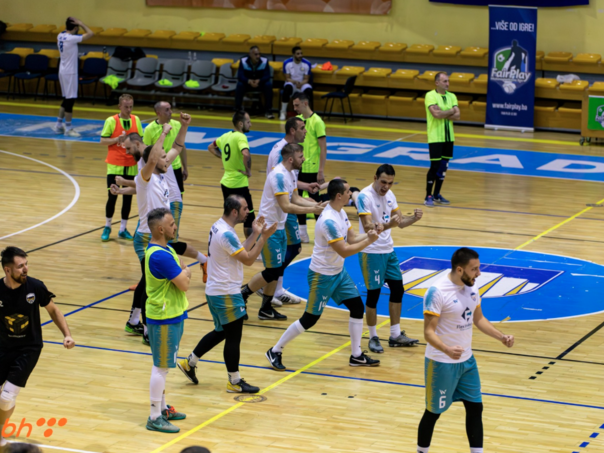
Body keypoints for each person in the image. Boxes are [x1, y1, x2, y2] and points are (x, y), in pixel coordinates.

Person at [265, 180, 380, 371]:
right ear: (339, 196)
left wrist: (371, 233)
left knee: (357, 307)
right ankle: (275, 350)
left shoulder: (340, 212)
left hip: (338, 273)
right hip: (322, 275)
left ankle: (356, 355)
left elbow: (352, 238)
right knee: (309, 319)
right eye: (348, 191)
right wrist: (369, 240)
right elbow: (344, 250)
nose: (350, 193)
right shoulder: (328, 221)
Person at [111, 115, 207, 343]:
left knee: (146, 280)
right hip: (146, 238)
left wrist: (184, 126)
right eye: (163, 157)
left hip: (158, 236)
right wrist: (163, 133)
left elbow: (177, 147)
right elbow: (154, 157)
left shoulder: (161, 175)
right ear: (153, 161)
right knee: (150, 283)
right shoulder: (146, 176)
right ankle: (146, 329)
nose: (168, 159)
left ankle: (134, 321)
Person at [417, 247, 515, 453]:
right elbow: (428, 333)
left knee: (475, 408)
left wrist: (501, 337)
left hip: (467, 362)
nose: (478, 273)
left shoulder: (472, 286)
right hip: (441, 363)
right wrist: (446, 349)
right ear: (460, 270)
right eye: (474, 269)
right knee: (433, 413)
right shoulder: (436, 292)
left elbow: (478, 319)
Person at [177, 196, 277, 393]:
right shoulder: (226, 233)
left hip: (216, 291)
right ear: (234, 211)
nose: (248, 212)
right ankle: (234, 381)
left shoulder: (219, 226)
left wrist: (256, 233)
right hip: (226, 293)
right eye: (245, 208)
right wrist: (263, 238)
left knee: (222, 331)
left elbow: (239, 250)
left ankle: (190, 363)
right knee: (233, 336)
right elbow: (248, 259)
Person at [0, 247, 75, 448]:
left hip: (28, 349)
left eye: (26, 264)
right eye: (20, 266)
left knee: (6, 398)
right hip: (2, 347)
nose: (25, 269)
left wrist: (67, 335)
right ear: (7, 270)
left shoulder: (35, 287)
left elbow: (54, 310)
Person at [240, 144, 325, 321]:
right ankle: (242, 295)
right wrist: (313, 210)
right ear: (291, 159)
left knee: (276, 270)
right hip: (268, 228)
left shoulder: (291, 174)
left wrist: (315, 205)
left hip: (278, 226)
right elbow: (286, 206)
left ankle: (265, 309)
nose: (304, 159)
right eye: (301, 156)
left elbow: (296, 198)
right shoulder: (279, 175)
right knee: (272, 271)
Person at [353, 164, 422, 353]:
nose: (386, 186)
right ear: (375, 178)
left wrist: (413, 218)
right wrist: (389, 224)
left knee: (398, 290)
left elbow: (400, 222)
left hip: (388, 250)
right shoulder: (364, 197)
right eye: (383, 182)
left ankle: (395, 334)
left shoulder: (390, 195)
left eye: (390, 183)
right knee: (373, 295)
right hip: (371, 252)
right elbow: (367, 226)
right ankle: (373, 337)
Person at [262, 116, 318, 306]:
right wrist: (311, 206)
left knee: (292, 248)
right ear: (293, 130)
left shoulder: (290, 153)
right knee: (291, 248)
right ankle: (268, 284)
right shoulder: (281, 153)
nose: (306, 131)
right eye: (302, 128)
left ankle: (274, 288)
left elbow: (290, 183)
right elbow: (279, 182)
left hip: (285, 204)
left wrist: (306, 188)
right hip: (280, 207)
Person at [144, 208, 190, 434]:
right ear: (161, 229)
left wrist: (184, 272)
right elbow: (185, 283)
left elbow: (183, 273)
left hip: (172, 314)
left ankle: (162, 408)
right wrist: (185, 273)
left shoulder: (167, 249)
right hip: (163, 318)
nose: (175, 226)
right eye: (172, 224)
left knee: (163, 366)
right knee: (161, 367)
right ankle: (154, 416)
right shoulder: (160, 255)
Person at [99, 93, 143, 242]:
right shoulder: (111, 121)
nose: (129, 110)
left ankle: (123, 229)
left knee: (128, 198)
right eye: (126, 107)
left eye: (131, 107)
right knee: (112, 196)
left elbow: (140, 140)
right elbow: (102, 140)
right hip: (115, 165)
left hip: (131, 164)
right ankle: (107, 226)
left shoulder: (136, 119)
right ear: (119, 106)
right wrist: (116, 139)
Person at [208, 110, 255, 239]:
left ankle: (224, 240)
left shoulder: (225, 136)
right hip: (239, 183)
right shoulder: (241, 137)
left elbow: (211, 147)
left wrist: (223, 157)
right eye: (248, 122)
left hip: (226, 184)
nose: (250, 124)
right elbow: (246, 154)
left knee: (230, 217)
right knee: (249, 218)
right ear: (240, 124)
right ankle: (251, 247)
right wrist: (248, 170)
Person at [292, 92, 327, 243]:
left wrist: (321, 170)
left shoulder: (317, 121)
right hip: (297, 167)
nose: (295, 108)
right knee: (297, 199)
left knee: (316, 201)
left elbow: (323, 148)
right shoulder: (298, 121)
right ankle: (302, 232)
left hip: (312, 168)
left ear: (305, 103)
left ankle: (321, 233)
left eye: (297, 105)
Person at [53, 17, 94, 137]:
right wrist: (81, 23)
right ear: (75, 28)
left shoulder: (60, 35)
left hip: (62, 71)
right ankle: (69, 128)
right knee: (70, 100)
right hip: (70, 72)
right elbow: (91, 33)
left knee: (67, 98)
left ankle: (58, 125)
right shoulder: (71, 39)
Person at [424, 72, 459, 208]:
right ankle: (428, 196)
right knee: (434, 167)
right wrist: (451, 111)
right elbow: (435, 114)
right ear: (437, 82)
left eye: (448, 81)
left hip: (449, 137)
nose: (447, 84)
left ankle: (437, 194)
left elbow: (457, 116)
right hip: (435, 137)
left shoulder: (452, 96)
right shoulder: (430, 95)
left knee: (443, 167)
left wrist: (443, 112)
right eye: (445, 81)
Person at [144, 101, 189, 203]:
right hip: (159, 170)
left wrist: (185, 167)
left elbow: (181, 147)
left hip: (176, 168)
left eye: (170, 109)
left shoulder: (177, 124)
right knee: (161, 198)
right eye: (167, 110)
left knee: (177, 200)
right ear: (158, 113)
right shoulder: (149, 129)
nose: (171, 112)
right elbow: (146, 153)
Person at [235, 46, 274, 119]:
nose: (258, 56)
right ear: (250, 54)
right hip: (248, 84)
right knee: (240, 85)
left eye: (259, 54)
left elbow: (267, 75)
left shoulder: (265, 60)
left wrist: (259, 80)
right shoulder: (243, 61)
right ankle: (238, 110)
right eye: (256, 54)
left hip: (260, 84)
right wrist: (248, 81)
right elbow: (240, 75)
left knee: (268, 85)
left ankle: (268, 111)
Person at [280, 46, 313, 120]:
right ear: (293, 54)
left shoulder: (307, 63)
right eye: (298, 54)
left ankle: (307, 112)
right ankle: (283, 111)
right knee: (287, 88)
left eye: (301, 53)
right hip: (292, 82)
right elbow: (287, 78)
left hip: (302, 83)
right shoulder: (287, 63)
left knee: (308, 89)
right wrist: (295, 82)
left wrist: (300, 83)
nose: (300, 55)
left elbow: (306, 79)